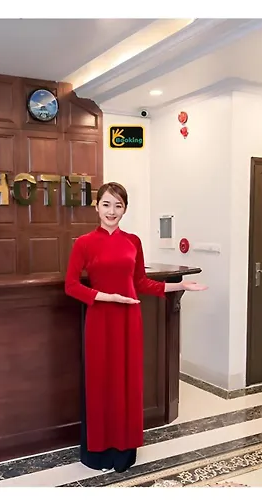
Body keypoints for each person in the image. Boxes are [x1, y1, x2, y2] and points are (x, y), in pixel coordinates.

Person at [64, 182, 207, 474]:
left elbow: (141, 282)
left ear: (125, 209)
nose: (111, 211)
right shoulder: (84, 243)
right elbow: (71, 286)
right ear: (96, 207)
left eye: (118, 205)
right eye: (106, 204)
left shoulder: (133, 241)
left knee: (127, 383)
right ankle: (98, 452)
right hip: (100, 320)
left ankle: (124, 451)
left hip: (129, 320)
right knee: (101, 382)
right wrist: (107, 297)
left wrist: (180, 285)